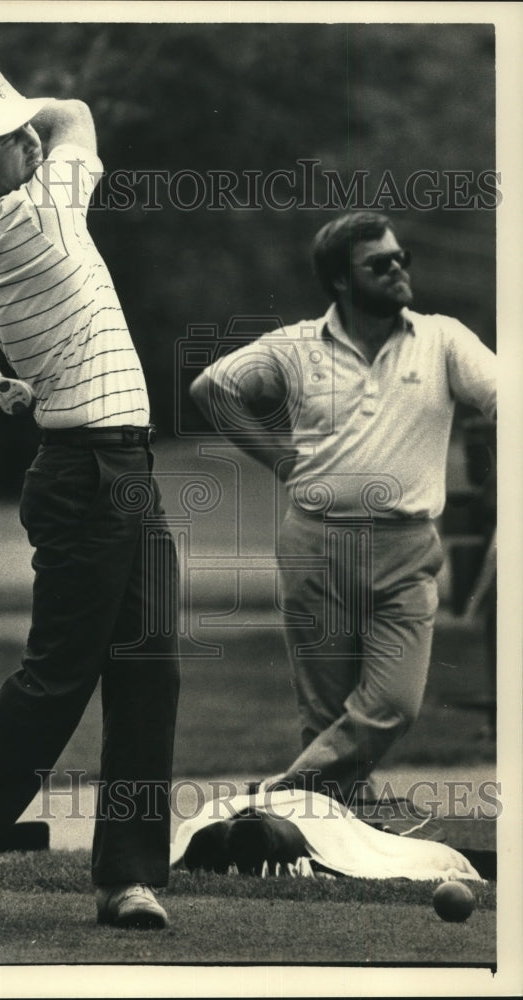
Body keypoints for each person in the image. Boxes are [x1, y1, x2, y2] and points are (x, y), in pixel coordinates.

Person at [0, 64, 180, 928]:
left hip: (115, 467)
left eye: (21, 130)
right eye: (6, 138)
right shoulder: (39, 210)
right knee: (60, 678)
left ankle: (127, 875)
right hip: (91, 471)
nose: (28, 138)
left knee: (148, 672)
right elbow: (78, 112)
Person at [190, 211, 496, 816]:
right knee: (327, 714)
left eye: (400, 258)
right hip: (316, 546)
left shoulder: (442, 340)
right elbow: (213, 389)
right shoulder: (299, 347)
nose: (398, 269)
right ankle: (332, 841)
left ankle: (272, 803)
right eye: (379, 264)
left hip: (406, 551)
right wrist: (281, 460)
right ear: (339, 282)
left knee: (393, 706)